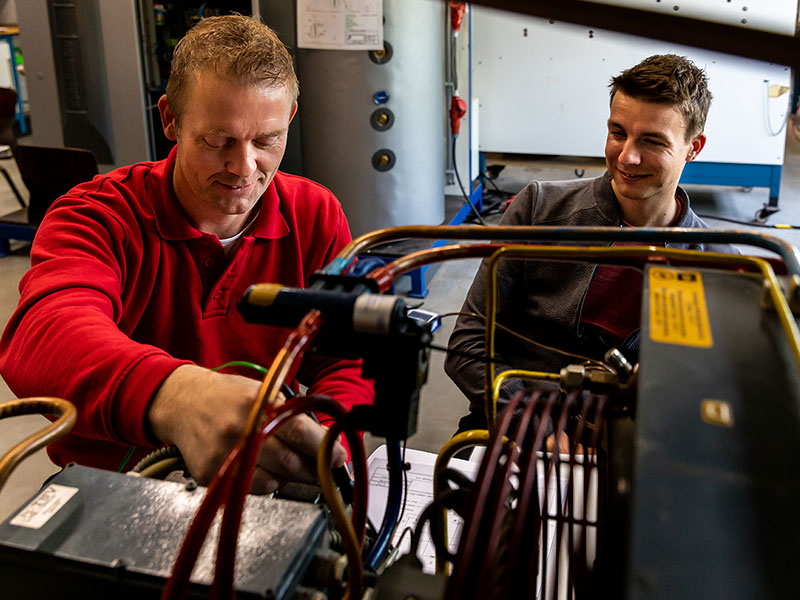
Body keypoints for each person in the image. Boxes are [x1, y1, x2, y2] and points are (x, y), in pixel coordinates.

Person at [0, 15, 374, 493]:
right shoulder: (96, 215)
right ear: (171, 120)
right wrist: (177, 397)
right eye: (217, 141)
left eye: (266, 141)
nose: (244, 168)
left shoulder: (315, 214)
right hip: (112, 485)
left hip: (261, 479)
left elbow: (343, 359)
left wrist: (318, 442)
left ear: (291, 119)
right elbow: (45, 335)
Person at [445, 54, 737, 432]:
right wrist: (535, 428)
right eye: (618, 132)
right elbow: (467, 344)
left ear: (693, 147)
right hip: (516, 431)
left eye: (652, 141)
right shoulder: (538, 209)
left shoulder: (719, 265)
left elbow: (715, 393)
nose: (627, 156)